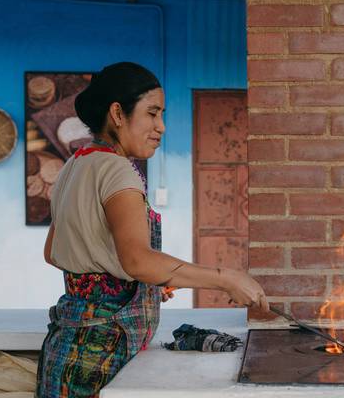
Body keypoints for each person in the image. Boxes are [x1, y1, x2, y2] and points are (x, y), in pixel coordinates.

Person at [36, 62, 268, 398]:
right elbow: (138, 261)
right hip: (102, 357)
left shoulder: (75, 165)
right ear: (117, 113)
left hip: (64, 348)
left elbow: (54, 252)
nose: (160, 126)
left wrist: (132, 288)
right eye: (152, 113)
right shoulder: (117, 171)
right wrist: (227, 277)